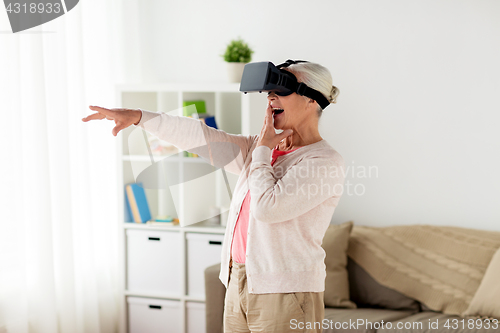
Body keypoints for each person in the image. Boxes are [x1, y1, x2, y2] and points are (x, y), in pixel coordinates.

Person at [82, 60, 345, 333]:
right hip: (239, 282)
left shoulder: (323, 161)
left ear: (311, 99)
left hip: (287, 292)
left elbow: (268, 208)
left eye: (281, 90)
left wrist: (264, 151)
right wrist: (140, 116)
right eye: (269, 92)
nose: (271, 97)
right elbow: (202, 137)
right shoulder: (258, 149)